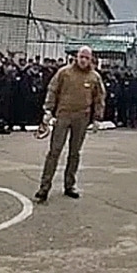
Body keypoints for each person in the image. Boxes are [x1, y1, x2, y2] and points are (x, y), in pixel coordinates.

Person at [33, 46, 106, 204]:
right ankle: (44, 187)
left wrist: (97, 119)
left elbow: (99, 98)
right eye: (81, 57)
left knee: (75, 153)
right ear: (76, 57)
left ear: (91, 59)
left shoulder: (94, 77)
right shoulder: (64, 72)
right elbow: (52, 90)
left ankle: (69, 185)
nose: (83, 60)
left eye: (87, 58)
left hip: (82, 118)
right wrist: (48, 110)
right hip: (63, 115)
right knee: (54, 151)